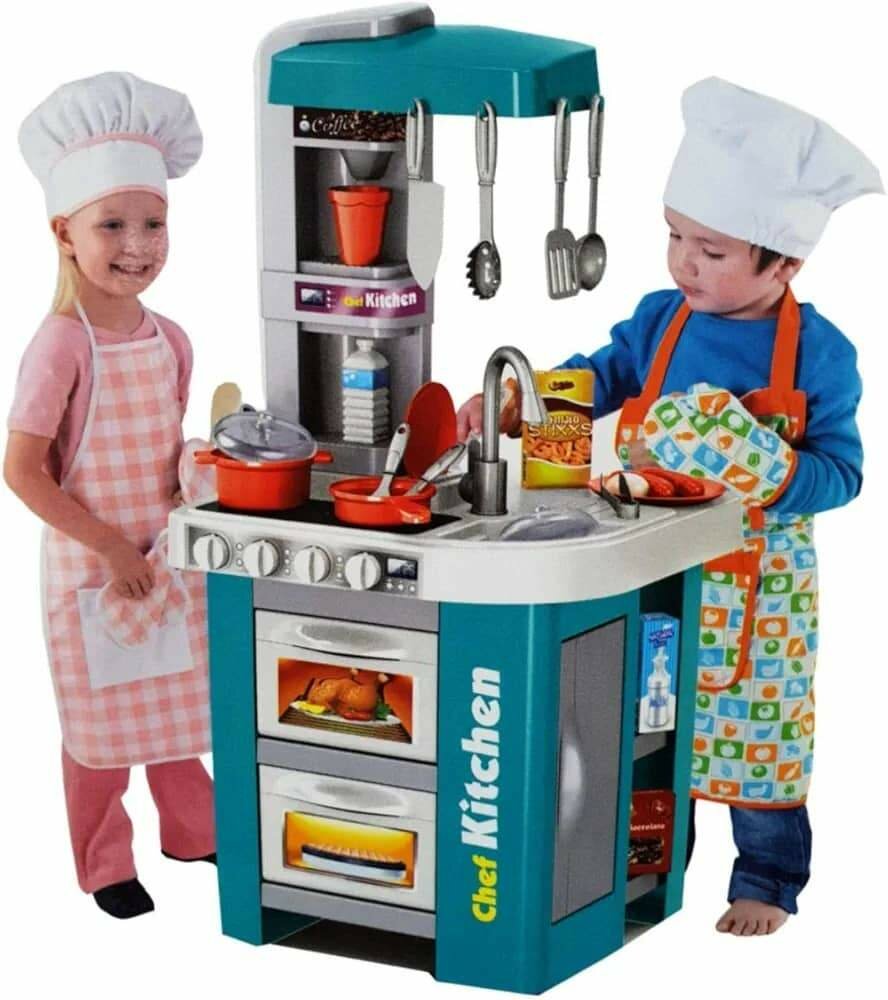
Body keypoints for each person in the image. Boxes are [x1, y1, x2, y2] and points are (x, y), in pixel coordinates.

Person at [457, 77, 881, 936]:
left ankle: (766, 879)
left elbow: (842, 474)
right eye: (675, 236)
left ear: (784, 263)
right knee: (645, 728)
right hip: (651, 559)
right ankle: (649, 872)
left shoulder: (820, 352)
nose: (686, 262)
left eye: (711, 250)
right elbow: (596, 382)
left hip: (759, 590)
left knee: (757, 748)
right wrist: (520, 404)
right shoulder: (662, 319)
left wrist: (769, 469)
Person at [4, 72, 215, 919]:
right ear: (64, 232)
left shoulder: (172, 340)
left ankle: (194, 832)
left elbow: (165, 450)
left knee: (174, 708)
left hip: (163, 561)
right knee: (99, 731)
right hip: (94, 570)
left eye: (153, 223)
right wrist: (112, 548)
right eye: (113, 225)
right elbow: (23, 470)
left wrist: (199, 471)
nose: (138, 245)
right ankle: (104, 864)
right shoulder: (60, 345)